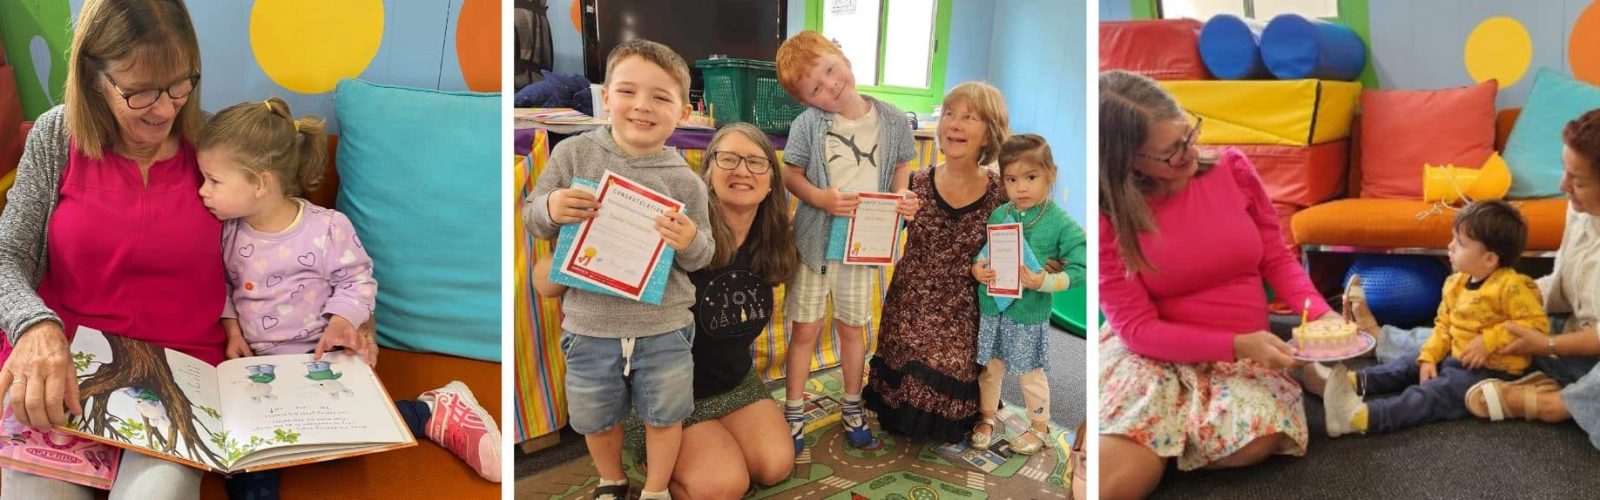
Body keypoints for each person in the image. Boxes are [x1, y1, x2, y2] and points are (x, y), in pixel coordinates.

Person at [195, 98, 502, 498]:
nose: (202, 191)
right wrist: (231, 326)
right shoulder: (228, 231)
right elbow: (219, 283)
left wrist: (344, 322)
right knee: (249, 472)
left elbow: (358, 280)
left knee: (350, 438)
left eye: (213, 180)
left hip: (321, 360)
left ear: (259, 182)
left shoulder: (326, 229)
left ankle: (432, 411)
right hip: (259, 371)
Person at [0, 1, 220, 497]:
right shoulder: (58, 136)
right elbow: (6, 253)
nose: (165, 109)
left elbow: (281, 237)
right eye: (140, 92)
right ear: (93, 76)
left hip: (179, 379)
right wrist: (33, 325)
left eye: (180, 83)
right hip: (66, 364)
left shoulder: (214, 142)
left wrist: (344, 303)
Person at [1096, 70, 1335, 498]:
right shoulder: (1111, 218)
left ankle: (1169, 436)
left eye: (1189, 136)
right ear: (1129, 161)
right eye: (1170, 152)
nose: (1188, 153)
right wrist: (1237, 345)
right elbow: (1138, 330)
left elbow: (1278, 259)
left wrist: (1323, 318)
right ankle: (1160, 435)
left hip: (1245, 352)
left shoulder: (1233, 170)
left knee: (1254, 441)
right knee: (1117, 480)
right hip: (1156, 354)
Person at [523, 39, 712, 500]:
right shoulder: (574, 156)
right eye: (627, 91)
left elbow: (703, 253)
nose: (642, 106)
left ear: (683, 113)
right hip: (590, 325)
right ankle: (611, 480)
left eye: (661, 97)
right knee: (594, 416)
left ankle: (656, 488)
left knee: (665, 414)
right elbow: (532, 216)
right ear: (605, 97)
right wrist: (551, 205)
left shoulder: (685, 179)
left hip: (663, 325)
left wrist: (688, 241)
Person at [773, 30, 920, 452]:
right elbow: (790, 174)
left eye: (831, 71)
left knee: (853, 330)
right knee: (805, 330)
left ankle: (852, 403)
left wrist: (904, 200)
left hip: (863, 246)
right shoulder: (808, 124)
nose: (831, 86)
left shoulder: (891, 119)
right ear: (807, 101)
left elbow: (900, 175)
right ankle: (794, 410)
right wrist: (822, 198)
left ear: (844, 59)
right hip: (815, 243)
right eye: (816, 88)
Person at [1304, 200, 1548, 437]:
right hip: (1456, 354)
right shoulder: (1455, 283)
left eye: (1460, 243)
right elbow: (1443, 327)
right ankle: (1351, 382)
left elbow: (1537, 326)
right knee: (1409, 364)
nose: (1450, 246)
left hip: (1491, 373)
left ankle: (1359, 418)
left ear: (1490, 259)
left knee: (1431, 395)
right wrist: (1430, 357)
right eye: (1453, 238)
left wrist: (1489, 341)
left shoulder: (1513, 287)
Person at [863, 81, 1008, 444]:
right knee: (901, 411)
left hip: (964, 308)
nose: (954, 124)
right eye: (949, 114)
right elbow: (876, 236)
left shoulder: (1001, 193)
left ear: (989, 134)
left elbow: (1019, 248)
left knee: (944, 417)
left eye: (969, 117)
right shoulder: (914, 183)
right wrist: (891, 211)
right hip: (910, 304)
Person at [969, 134, 1086, 454]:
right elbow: (985, 252)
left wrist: (1044, 282)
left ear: (1051, 174)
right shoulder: (1000, 215)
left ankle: (1039, 426)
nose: (1021, 188)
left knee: (1030, 374)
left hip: (1028, 313)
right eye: (1012, 179)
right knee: (990, 369)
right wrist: (977, 269)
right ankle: (987, 416)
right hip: (994, 308)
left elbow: (1082, 269)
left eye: (1030, 177)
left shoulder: (1061, 224)